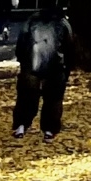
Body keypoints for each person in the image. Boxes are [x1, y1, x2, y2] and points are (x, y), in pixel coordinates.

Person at [12, 8, 75, 141]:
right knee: (53, 99)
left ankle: (21, 126)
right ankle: (49, 130)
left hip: (32, 63)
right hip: (55, 66)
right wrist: (67, 67)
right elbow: (69, 47)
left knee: (26, 96)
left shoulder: (31, 21)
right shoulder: (63, 23)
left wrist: (22, 61)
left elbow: (21, 43)